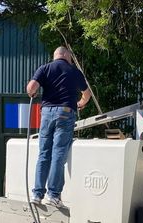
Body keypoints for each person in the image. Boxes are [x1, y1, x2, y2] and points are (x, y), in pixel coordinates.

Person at [26, 46, 91, 207]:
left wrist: (32, 94)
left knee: (43, 154)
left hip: (46, 113)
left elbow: (31, 88)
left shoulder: (45, 68)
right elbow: (87, 94)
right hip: (65, 112)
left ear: (55, 56)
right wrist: (81, 103)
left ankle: (37, 194)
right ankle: (54, 195)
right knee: (58, 154)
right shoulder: (74, 71)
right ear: (67, 56)